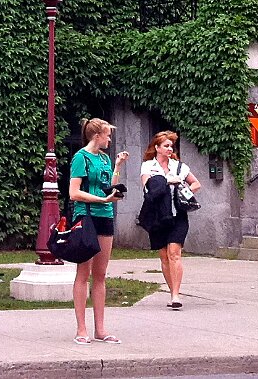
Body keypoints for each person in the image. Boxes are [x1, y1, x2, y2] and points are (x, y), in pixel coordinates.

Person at [68, 117, 128, 345]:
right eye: (107, 135)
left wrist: (117, 168)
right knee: (83, 273)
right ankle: (81, 329)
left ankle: (100, 329)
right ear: (96, 136)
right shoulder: (80, 158)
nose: (109, 139)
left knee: (101, 274)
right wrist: (101, 199)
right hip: (86, 216)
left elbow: (107, 185)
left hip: (105, 216)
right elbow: (74, 192)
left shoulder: (104, 158)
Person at [140, 130, 201, 309]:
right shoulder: (148, 166)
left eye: (171, 146)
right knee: (164, 256)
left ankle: (176, 295)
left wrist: (184, 191)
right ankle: (171, 290)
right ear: (157, 147)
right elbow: (147, 188)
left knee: (174, 253)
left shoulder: (180, 167)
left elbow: (196, 183)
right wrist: (166, 181)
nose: (169, 149)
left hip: (178, 214)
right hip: (157, 215)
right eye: (166, 146)